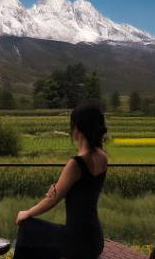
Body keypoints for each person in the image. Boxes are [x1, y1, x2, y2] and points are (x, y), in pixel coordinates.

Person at [13, 101, 108, 259]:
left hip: (76, 243)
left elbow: (52, 200)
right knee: (41, 234)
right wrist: (60, 188)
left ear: (76, 128)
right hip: (94, 240)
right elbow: (81, 189)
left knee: (27, 226)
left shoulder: (76, 164)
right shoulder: (102, 157)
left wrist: (27, 213)